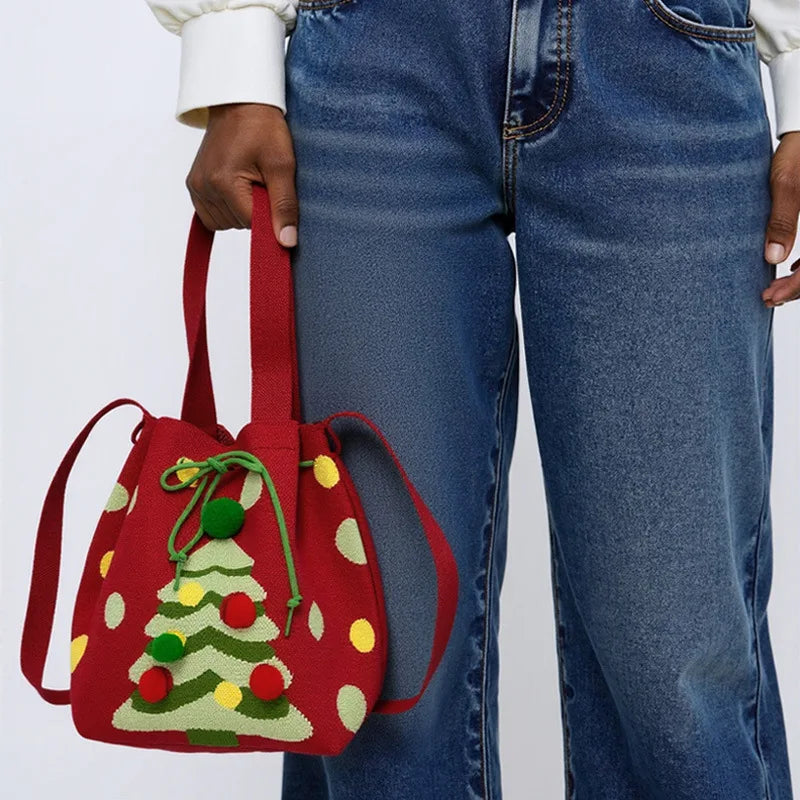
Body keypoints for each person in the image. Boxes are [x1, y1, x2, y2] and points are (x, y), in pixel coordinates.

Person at [143, 1, 800, 798]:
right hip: (375, 62)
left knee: (674, 660)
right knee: (380, 648)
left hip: (667, 57)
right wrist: (232, 49)